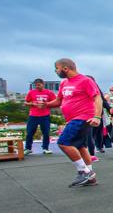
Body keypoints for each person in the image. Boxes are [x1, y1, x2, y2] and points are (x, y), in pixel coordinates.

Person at [42, 58, 103, 187]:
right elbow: (59, 101)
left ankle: (84, 172)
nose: (55, 71)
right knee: (80, 146)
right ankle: (90, 176)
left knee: (63, 142)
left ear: (65, 68)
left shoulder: (85, 81)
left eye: (57, 68)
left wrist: (97, 117)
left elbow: (97, 98)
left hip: (83, 117)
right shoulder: (64, 83)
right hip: (72, 119)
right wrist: (45, 105)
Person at [24, 78, 56, 155]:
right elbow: (26, 103)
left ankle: (45, 148)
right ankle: (28, 148)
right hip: (33, 115)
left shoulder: (49, 93)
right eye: (36, 85)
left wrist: (47, 104)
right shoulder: (31, 92)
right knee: (30, 132)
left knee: (46, 132)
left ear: (43, 84)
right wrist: (33, 104)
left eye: (39, 85)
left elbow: (55, 102)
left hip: (45, 115)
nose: (37, 87)